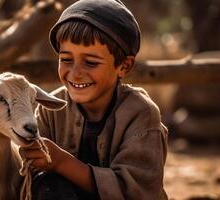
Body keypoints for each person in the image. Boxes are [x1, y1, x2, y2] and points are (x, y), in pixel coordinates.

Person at [19, 0, 168, 199]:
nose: (76, 73)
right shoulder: (50, 109)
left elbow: (136, 192)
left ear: (124, 66)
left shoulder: (141, 114)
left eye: (90, 62)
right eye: (66, 60)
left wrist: (61, 162)